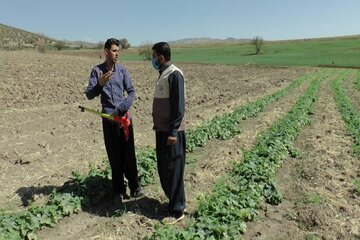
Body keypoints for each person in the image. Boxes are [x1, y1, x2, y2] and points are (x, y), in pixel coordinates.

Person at [85, 38, 143, 203]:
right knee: (114, 156)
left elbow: (131, 93)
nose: (117, 54)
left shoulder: (123, 71)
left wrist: (121, 109)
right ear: (106, 52)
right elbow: (89, 95)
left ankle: (135, 187)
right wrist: (100, 84)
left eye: (118, 50)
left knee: (129, 155)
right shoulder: (96, 71)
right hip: (109, 119)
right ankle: (118, 190)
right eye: (114, 50)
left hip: (124, 119)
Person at [151, 42, 186, 224]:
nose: (152, 60)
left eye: (153, 56)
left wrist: (173, 131)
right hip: (162, 130)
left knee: (173, 169)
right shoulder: (163, 74)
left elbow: (178, 107)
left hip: (171, 133)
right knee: (165, 169)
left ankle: (177, 210)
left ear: (161, 57)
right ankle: (175, 202)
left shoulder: (174, 74)